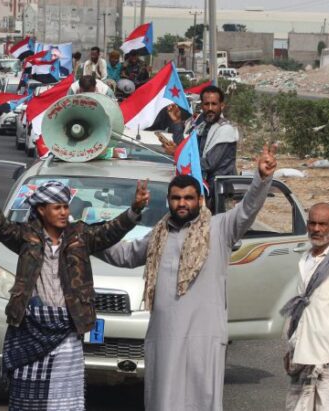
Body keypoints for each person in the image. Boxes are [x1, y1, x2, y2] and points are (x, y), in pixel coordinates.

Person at [101, 144, 278, 411]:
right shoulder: (159, 233)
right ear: (168, 201)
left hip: (203, 335)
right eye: (176, 198)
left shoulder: (220, 228)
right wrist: (90, 241)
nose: (182, 203)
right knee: (164, 399)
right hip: (165, 334)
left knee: (201, 399)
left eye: (188, 198)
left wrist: (261, 179)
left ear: (200, 201)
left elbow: (247, 210)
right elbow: (125, 255)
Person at [0, 170, 150, 410]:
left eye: (65, 207)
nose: (63, 212)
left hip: (68, 328)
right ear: (41, 210)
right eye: (57, 208)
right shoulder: (26, 237)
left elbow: (110, 232)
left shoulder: (80, 236)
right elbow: (0, 227)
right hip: (30, 327)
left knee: (64, 397)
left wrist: (135, 209)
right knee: (27, 396)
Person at [281, 203, 329, 410]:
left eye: (323, 224)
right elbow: (300, 310)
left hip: (328, 355)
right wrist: (291, 348)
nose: (316, 229)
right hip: (302, 353)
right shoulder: (305, 258)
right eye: (312, 223)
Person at [164, 85, 240, 195]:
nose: (210, 108)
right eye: (206, 104)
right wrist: (177, 122)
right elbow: (186, 149)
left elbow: (209, 164)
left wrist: (177, 153)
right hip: (205, 189)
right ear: (202, 106)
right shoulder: (202, 127)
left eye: (214, 104)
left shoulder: (225, 130)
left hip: (221, 194)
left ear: (222, 106)